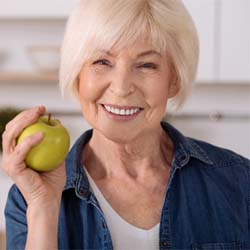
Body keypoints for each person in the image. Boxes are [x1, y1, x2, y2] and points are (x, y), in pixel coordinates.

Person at [2, 0, 250, 249]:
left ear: (174, 80)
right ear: (78, 75)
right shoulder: (29, 199)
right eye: (102, 62)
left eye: (146, 65)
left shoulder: (239, 182)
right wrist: (43, 208)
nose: (121, 88)